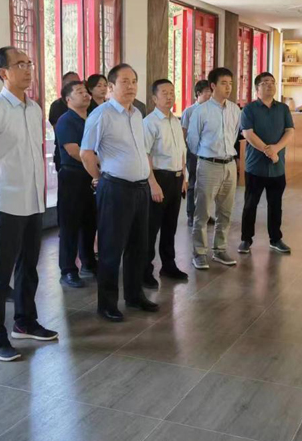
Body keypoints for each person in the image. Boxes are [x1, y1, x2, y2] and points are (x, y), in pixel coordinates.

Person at [0, 46, 58, 362]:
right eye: (19, 64)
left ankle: (25, 322)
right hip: (4, 203)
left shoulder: (33, 109)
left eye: (29, 63)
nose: (27, 68)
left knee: (28, 268)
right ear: (3, 73)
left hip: (32, 201)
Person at [80, 63, 159, 322]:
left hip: (140, 189)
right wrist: (99, 178)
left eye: (134, 81)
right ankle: (107, 304)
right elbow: (86, 153)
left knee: (138, 246)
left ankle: (134, 296)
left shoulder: (137, 114)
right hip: (115, 189)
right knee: (111, 249)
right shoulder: (101, 115)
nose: (131, 86)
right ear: (111, 87)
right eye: (124, 82)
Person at [186, 67, 241, 270]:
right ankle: (199, 253)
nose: (228, 87)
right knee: (202, 212)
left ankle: (220, 249)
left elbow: (234, 135)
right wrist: (206, 154)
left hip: (229, 164)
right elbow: (192, 141)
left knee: (225, 212)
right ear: (213, 85)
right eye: (224, 83)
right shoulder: (201, 111)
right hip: (208, 165)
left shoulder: (235, 109)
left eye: (230, 83)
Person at [238, 72, 294, 255]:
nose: (270, 85)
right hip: (255, 167)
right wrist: (267, 151)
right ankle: (246, 239)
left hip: (278, 167)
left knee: (275, 205)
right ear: (257, 88)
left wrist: (276, 149)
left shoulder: (283, 109)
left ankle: (276, 239)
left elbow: (290, 131)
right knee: (250, 204)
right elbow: (248, 133)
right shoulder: (249, 109)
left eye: (272, 82)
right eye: (265, 83)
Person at [143, 79, 189, 287]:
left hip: (176, 179)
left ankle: (168, 265)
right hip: (158, 178)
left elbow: (182, 151)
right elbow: (145, 155)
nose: (170, 96)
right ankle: (144, 270)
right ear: (154, 98)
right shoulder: (149, 122)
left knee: (170, 226)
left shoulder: (175, 121)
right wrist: (153, 184)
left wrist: (184, 177)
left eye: (172, 92)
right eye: (164, 93)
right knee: (151, 228)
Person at [55, 80, 97, 288]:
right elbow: (73, 151)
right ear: (68, 99)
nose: (86, 94)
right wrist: (99, 162)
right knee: (70, 226)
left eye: (86, 91)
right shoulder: (66, 120)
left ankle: (88, 263)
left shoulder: (92, 118)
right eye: (79, 92)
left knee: (90, 223)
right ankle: (68, 270)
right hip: (73, 177)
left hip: (91, 176)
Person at [181, 80, 212, 227]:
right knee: (193, 183)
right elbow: (184, 133)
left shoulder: (212, 110)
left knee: (207, 186)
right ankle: (191, 214)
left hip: (209, 152)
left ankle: (205, 214)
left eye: (211, 91)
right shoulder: (189, 111)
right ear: (198, 93)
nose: (209, 95)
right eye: (207, 92)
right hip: (193, 152)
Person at [48, 71, 81, 171]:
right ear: (64, 86)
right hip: (65, 157)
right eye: (72, 83)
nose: (76, 85)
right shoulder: (57, 106)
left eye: (78, 82)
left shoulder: (85, 105)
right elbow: (60, 132)